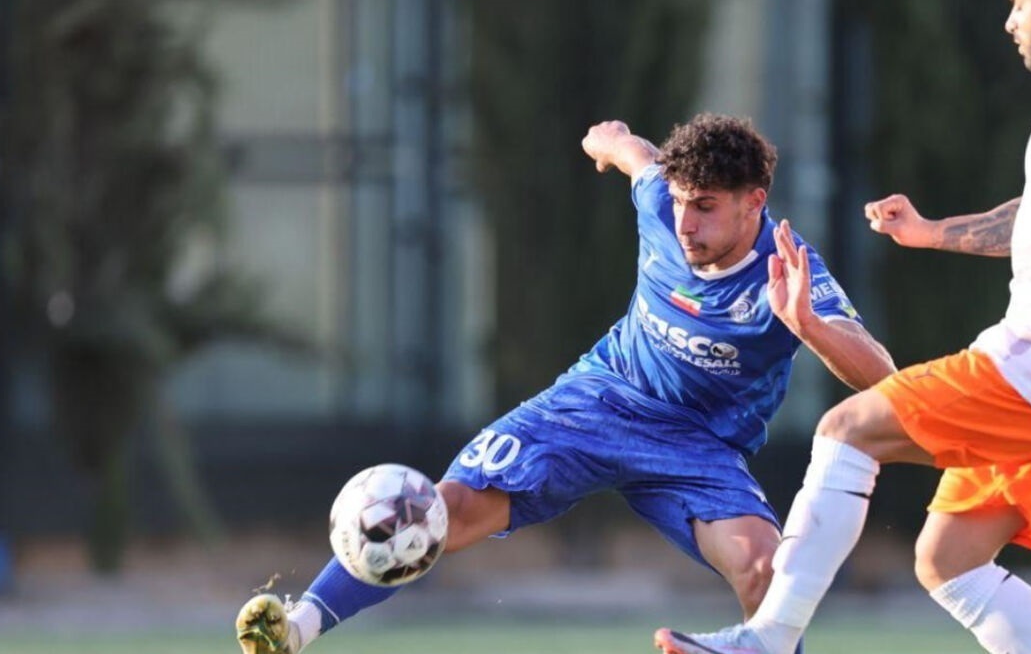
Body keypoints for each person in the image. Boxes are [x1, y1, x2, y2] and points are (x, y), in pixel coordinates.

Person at [653, 0, 1031, 653]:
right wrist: (932, 231)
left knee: (846, 427)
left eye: (1018, 2)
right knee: (949, 561)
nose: (1010, 20)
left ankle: (768, 639)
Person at [234, 113, 895, 654]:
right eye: (680, 203)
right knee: (438, 512)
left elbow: (883, 376)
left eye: (705, 207)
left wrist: (808, 325)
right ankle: (297, 628)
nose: (685, 224)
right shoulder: (661, 201)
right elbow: (639, 157)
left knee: (764, 571)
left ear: (755, 202)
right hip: (597, 399)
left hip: (697, 446)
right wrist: (609, 141)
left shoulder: (790, 269)